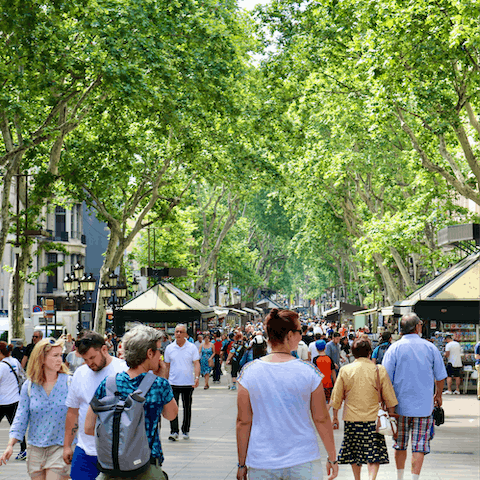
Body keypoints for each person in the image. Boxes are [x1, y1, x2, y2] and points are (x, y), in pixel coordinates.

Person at [236, 308, 338, 480]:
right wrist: (332, 457)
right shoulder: (309, 372)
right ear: (290, 335)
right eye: (299, 331)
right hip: (303, 460)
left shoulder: (248, 372)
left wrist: (241, 463)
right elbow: (321, 418)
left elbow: (243, 421)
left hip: (262, 461)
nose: (301, 336)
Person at [85, 325, 178, 480]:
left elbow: (88, 427)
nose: (160, 356)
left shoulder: (108, 384)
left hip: (112, 468)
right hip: (146, 467)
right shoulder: (158, 385)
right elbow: (171, 415)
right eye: (158, 351)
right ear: (149, 353)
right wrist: (161, 377)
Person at [382, 313, 447, 480]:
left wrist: (386, 403)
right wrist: (438, 395)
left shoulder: (394, 348)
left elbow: (385, 378)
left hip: (399, 407)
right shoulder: (430, 348)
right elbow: (440, 376)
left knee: (400, 445)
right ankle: (414, 479)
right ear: (418, 327)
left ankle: (399, 477)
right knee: (419, 446)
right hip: (424, 407)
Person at [0, 338, 71, 479]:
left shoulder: (70, 383)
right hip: (35, 449)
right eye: (55, 356)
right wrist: (10, 445)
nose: (60, 360)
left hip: (60, 446)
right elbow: (21, 416)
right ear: (42, 358)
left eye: (60, 355)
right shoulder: (30, 386)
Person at [330, 338, 398, 480]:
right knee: (373, 454)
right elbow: (389, 397)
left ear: (353, 353)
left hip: (351, 419)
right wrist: (392, 416)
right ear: (369, 352)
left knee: (355, 454)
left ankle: (357, 478)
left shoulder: (345, 370)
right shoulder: (378, 370)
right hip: (374, 420)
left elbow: (336, 398)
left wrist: (335, 417)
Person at [63, 331, 127, 480]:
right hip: (84, 450)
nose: (90, 363)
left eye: (92, 357)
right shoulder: (80, 373)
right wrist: (67, 445)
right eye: (85, 359)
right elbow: (73, 411)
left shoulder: (123, 370)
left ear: (104, 349)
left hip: (116, 453)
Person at [164, 324, 200, 441]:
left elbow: (196, 363)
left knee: (187, 407)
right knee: (173, 408)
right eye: (176, 332)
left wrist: (197, 377)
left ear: (185, 334)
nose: (178, 334)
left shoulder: (191, 347)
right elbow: (167, 366)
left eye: (181, 332)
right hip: (173, 383)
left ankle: (186, 430)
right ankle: (174, 431)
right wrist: (165, 381)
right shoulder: (169, 348)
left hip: (188, 383)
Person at [0, 342, 27, 460]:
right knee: (17, 426)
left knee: (15, 426)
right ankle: (23, 450)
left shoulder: (1, 366)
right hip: (15, 400)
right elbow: (22, 375)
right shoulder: (15, 361)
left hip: (2, 402)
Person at [312, 340, 336, 405]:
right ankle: (327, 413)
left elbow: (314, 373)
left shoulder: (315, 359)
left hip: (319, 385)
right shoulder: (329, 358)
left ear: (316, 349)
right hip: (329, 384)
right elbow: (333, 372)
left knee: (320, 403)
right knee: (329, 402)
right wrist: (335, 382)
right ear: (325, 348)